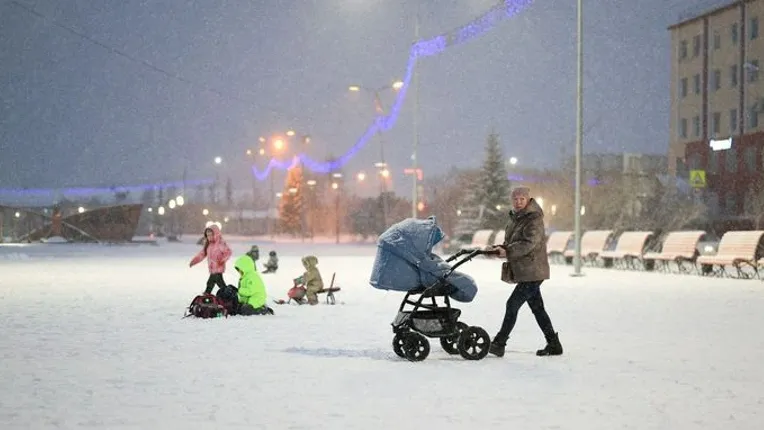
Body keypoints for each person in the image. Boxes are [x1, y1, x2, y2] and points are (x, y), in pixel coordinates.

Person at [487, 187, 562, 357]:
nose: (518, 202)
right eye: (515, 199)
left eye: (522, 199)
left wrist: (508, 252)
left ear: (528, 200)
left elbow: (529, 243)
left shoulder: (533, 219)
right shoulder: (516, 218)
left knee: (512, 304)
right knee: (538, 308)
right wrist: (499, 249)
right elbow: (513, 242)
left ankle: (499, 343)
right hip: (527, 271)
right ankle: (554, 344)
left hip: (533, 270)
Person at [189, 225, 232, 294]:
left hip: (218, 267)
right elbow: (201, 254)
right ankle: (225, 293)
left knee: (213, 282)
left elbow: (228, 252)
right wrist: (194, 261)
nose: (209, 237)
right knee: (217, 283)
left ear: (215, 234)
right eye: (208, 235)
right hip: (212, 269)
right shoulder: (208, 245)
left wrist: (222, 260)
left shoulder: (220, 243)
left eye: (211, 235)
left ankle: (208, 293)